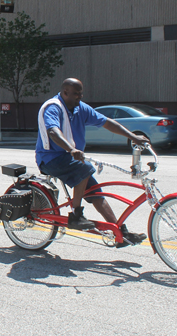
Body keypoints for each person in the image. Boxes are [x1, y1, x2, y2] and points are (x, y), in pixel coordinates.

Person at [36, 78, 148, 248]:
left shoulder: (81, 108)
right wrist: (71, 149)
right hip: (51, 158)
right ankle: (76, 215)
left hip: (71, 159)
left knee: (97, 194)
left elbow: (107, 122)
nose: (79, 99)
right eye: (76, 95)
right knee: (86, 170)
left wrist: (133, 137)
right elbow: (53, 131)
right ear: (65, 93)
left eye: (81, 95)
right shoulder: (53, 107)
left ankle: (121, 234)